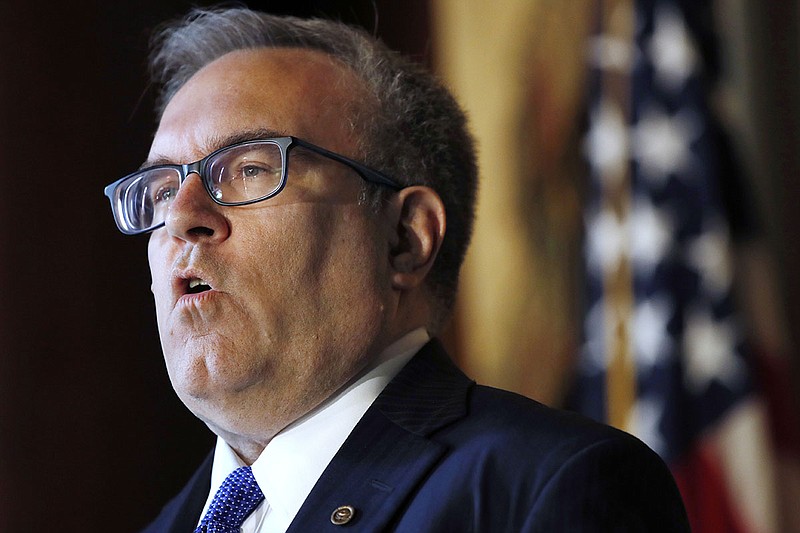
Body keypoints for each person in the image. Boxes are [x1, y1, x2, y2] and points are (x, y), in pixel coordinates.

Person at [103, 7, 690, 532]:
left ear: (405, 239)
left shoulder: (549, 490)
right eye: (158, 190)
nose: (182, 218)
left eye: (250, 169)